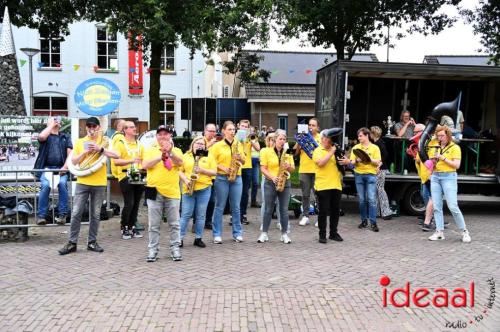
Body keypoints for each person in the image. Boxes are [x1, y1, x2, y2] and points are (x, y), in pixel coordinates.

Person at [58, 117, 119, 255]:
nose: (92, 129)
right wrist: (85, 152)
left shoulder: (105, 141)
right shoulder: (80, 142)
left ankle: (92, 242)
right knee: (76, 213)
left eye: (94, 127)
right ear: (86, 128)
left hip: (99, 183)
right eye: (89, 127)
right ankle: (72, 242)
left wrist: (100, 149)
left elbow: (116, 155)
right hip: (83, 181)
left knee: (96, 214)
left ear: (98, 128)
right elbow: (73, 160)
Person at [142, 125, 184, 262]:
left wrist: (170, 152)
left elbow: (180, 163)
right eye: (160, 134)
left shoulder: (177, 150)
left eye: (166, 134)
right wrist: (160, 157)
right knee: (153, 224)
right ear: (156, 137)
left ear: (170, 136)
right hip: (154, 190)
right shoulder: (150, 150)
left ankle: (175, 248)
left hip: (172, 191)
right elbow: (145, 165)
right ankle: (153, 250)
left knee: (174, 223)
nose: (163, 136)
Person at [427, 125, 471, 243]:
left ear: (448, 135)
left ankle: (464, 231)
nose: (440, 138)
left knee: (452, 205)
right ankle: (439, 232)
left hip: (449, 177)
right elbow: (432, 163)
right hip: (436, 176)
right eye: (438, 136)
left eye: (442, 135)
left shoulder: (455, 147)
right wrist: (432, 163)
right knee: (437, 206)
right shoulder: (435, 147)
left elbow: (457, 165)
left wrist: (442, 158)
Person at [210, 121, 246, 244]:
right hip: (221, 178)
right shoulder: (217, 146)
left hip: (237, 177)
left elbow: (244, 161)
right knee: (220, 206)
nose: (232, 132)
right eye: (229, 129)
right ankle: (217, 234)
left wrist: (240, 158)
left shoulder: (238, 144)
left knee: (236, 207)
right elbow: (211, 162)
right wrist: (222, 168)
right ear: (224, 131)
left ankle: (237, 233)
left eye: (233, 130)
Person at [178, 136, 217, 248]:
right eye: (197, 143)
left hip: (204, 188)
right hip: (188, 188)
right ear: (193, 144)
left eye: (202, 144)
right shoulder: (185, 156)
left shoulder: (209, 156)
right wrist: (185, 179)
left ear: (205, 146)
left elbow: (214, 172)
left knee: (201, 215)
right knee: (186, 214)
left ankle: (198, 238)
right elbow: (179, 170)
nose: (200, 145)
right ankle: (179, 239)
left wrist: (202, 170)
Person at [34, 116, 73, 225]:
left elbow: (70, 155)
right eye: (53, 120)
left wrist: (65, 167)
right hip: (46, 169)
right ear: (48, 124)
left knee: (62, 184)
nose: (56, 121)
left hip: (61, 168)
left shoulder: (66, 137)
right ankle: (41, 216)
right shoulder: (46, 136)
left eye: (57, 120)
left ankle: (62, 215)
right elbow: (41, 137)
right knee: (45, 186)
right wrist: (51, 125)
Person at [258, 129, 294, 244]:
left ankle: (284, 234)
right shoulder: (265, 151)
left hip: (285, 182)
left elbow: (293, 168)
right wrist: (273, 177)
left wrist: (289, 166)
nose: (282, 141)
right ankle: (264, 233)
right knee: (268, 209)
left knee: (283, 209)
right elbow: (263, 168)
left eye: (284, 139)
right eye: (280, 139)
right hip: (270, 182)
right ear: (275, 139)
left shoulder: (288, 151)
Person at [342, 127, 382, 232]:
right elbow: (351, 163)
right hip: (359, 175)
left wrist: (367, 158)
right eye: (358, 136)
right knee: (362, 200)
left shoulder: (375, 148)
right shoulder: (355, 148)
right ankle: (364, 221)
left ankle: (373, 223)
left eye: (361, 136)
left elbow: (378, 162)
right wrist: (355, 160)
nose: (358, 138)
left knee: (372, 199)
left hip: (371, 175)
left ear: (367, 135)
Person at [112, 121, 145, 239]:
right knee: (129, 203)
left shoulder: (140, 144)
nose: (134, 129)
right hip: (125, 175)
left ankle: (132, 227)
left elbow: (144, 160)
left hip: (139, 175)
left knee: (136, 203)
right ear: (125, 130)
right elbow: (116, 161)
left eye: (134, 127)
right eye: (131, 127)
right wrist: (131, 161)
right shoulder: (120, 143)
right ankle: (124, 226)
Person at [314, 129, 344, 243]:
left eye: (330, 138)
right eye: (327, 138)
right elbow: (321, 163)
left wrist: (345, 161)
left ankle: (333, 233)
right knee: (323, 211)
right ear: (322, 139)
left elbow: (343, 166)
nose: (329, 140)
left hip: (336, 185)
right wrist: (331, 152)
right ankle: (322, 235)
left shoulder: (335, 150)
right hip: (322, 186)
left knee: (335, 211)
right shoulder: (317, 150)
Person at [295, 118, 321, 226]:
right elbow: (295, 153)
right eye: (309, 125)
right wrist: (299, 144)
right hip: (304, 170)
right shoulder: (302, 136)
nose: (311, 127)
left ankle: (320, 217)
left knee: (318, 195)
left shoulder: (321, 138)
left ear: (318, 127)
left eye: (313, 125)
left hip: (317, 170)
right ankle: (305, 216)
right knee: (305, 195)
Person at [237, 119, 261, 224]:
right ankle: (234, 215)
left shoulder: (251, 137)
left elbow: (258, 148)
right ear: (238, 126)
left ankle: (243, 214)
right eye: (242, 126)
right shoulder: (234, 136)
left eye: (246, 127)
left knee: (245, 192)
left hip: (247, 167)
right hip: (236, 166)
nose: (244, 128)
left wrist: (251, 139)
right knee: (235, 192)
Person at [413, 123, 435, 232]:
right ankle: (430, 219)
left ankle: (432, 220)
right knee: (427, 198)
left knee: (431, 199)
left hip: (430, 177)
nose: (414, 134)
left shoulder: (429, 143)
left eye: (416, 132)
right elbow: (418, 160)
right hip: (424, 177)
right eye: (414, 132)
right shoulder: (422, 143)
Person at [370, 126, 393, 220]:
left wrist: (379, 163)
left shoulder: (378, 144)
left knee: (380, 189)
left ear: (373, 134)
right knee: (378, 189)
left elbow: (385, 155)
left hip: (381, 169)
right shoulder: (378, 142)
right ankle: (379, 212)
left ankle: (386, 212)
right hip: (381, 168)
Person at [203, 123, 218, 230]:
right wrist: (209, 145)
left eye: (214, 131)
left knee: (212, 200)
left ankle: (208, 221)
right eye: (210, 131)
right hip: (201, 175)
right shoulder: (200, 141)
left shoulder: (217, 143)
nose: (212, 133)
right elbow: (197, 153)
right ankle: (196, 222)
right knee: (200, 201)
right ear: (205, 131)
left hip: (212, 175)